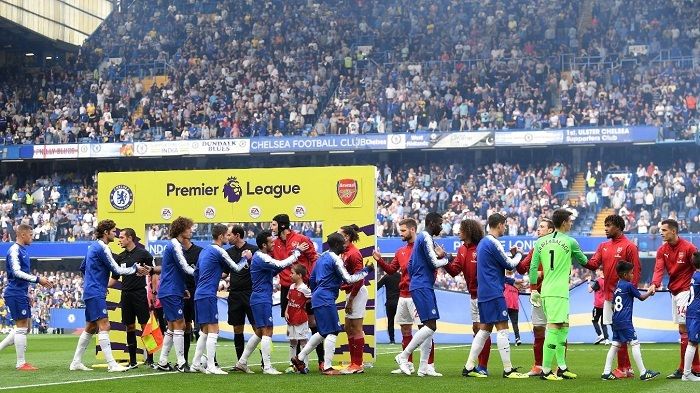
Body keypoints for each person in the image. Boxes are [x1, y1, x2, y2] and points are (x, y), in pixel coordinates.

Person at [70, 219, 148, 372]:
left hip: (91, 290)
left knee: (91, 326)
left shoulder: (92, 247)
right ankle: (112, 364)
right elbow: (116, 269)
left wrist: (93, 282)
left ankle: (76, 362)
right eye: (113, 232)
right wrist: (135, 269)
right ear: (106, 233)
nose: (115, 234)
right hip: (95, 291)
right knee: (105, 325)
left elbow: (83, 267)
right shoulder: (103, 248)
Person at [291, 233, 370, 375]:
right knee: (333, 331)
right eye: (343, 243)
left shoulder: (321, 258)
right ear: (337, 245)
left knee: (322, 332)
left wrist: (316, 294)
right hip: (325, 298)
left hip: (318, 296)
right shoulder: (335, 259)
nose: (345, 245)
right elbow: (349, 279)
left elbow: (313, 278)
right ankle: (327, 367)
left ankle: (299, 358)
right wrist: (366, 271)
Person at [463, 213, 527, 379]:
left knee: (484, 331)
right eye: (504, 225)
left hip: (484, 293)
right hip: (494, 293)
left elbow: (492, 269)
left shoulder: (483, 244)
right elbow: (509, 264)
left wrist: (510, 281)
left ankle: (469, 367)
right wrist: (519, 254)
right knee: (503, 330)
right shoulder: (493, 242)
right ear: (499, 225)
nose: (504, 228)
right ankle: (508, 370)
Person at [233, 230, 307, 375]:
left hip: (259, 298)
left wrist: (288, 261)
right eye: (270, 242)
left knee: (260, 332)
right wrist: (297, 253)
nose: (273, 243)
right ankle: (267, 367)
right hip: (261, 298)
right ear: (263, 245)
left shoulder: (260, 257)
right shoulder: (261, 257)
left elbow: (274, 270)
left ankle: (241, 362)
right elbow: (279, 265)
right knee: (268, 330)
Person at [373, 218, 440, 376]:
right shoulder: (400, 251)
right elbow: (391, 270)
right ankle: (408, 364)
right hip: (402, 296)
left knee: (425, 329)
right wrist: (380, 260)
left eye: (403, 231)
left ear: (412, 229)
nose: (400, 234)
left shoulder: (423, 247)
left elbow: (434, 268)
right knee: (405, 329)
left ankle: (429, 365)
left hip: (417, 294)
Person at [529, 209, 589, 381]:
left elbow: (533, 268)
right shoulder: (570, 242)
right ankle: (546, 370)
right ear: (563, 223)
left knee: (563, 327)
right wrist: (602, 263)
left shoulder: (540, 243)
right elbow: (585, 262)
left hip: (547, 291)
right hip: (558, 293)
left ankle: (562, 367)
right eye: (570, 221)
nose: (571, 224)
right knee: (554, 328)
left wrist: (534, 289)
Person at [584, 214, 640, 378]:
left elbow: (636, 270)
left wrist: (631, 292)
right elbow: (593, 264)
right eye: (605, 225)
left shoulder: (629, 246)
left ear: (618, 226)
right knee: (616, 329)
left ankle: (623, 368)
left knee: (619, 330)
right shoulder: (603, 246)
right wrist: (579, 256)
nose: (606, 228)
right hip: (609, 294)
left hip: (622, 296)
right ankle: (626, 368)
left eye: (608, 225)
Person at [394, 212, 449, 377]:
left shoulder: (421, 239)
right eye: (440, 223)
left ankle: (423, 367)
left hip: (421, 285)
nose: (441, 226)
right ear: (432, 223)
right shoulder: (425, 237)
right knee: (430, 326)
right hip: (422, 286)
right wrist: (446, 258)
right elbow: (434, 262)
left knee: (429, 327)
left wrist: (417, 278)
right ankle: (403, 356)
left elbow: (410, 265)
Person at [190, 224, 250, 375]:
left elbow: (197, 272)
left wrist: (209, 283)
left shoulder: (205, 251)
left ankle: (196, 363)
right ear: (221, 236)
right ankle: (211, 366)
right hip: (208, 294)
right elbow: (236, 268)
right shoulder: (220, 251)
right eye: (227, 235)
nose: (228, 237)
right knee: (214, 329)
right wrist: (246, 258)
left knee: (204, 330)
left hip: (199, 293)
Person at [649, 219, 700, 378]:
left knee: (686, 330)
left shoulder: (689, 248)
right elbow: (658, 269)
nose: (661, 233)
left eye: (664, 230)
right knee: (683, 330)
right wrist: (654, 284)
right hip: (675, 291)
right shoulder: (661, 250)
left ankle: (685, 369)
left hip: (686, 291)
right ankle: (695, 367)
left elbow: (697, 266)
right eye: (661, 230)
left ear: (673, 231)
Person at [271, 214, 322, 369]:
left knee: (313, 323)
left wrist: (310, 280)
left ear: (282, 226)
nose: (271, 228)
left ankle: (321, 360)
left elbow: (314, 258)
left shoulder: (301, 239)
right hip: (287, 288)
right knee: (291, 324)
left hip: (304, 287)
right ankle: (297, 363)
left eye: (273, 225)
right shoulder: (275, 244)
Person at [0, 224, 53, 370]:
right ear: (22, 235)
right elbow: (16, 272)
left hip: (21, 292)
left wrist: (27, 292)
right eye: (30, 235)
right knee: (22, 327)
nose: (32, 237)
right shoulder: (15, 250)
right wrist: (38, 279)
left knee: (26, 327)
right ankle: (21, 363)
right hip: (14, 292)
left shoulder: (23, 250)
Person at [443, 219, 491, 375]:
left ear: (468, 231)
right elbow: (454, 271)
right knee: (477, 329)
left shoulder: (482, 247)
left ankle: (483, 367)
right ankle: (476, 365)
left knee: (483, 329)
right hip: (473, 295)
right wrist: (444, 260)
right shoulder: (462, 249)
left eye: (461, 230)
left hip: (485, 295)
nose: (458, 232)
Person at [601, 261, 659, 381]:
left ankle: (606, 372)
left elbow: (612, 306)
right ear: (625, 274)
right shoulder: (628, 285)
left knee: (615, 344)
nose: (633, 275)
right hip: (625, 321)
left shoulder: (618, 286)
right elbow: (641, 298)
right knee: (635, 343)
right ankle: (643, 373)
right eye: (631, 273)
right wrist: (650, 292)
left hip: (616, 320)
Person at [109, 228, 154, 368]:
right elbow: (115, 278)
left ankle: (150, 359)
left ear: (130, 238)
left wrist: (153, 292)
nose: (119, 240)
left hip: (140, 293)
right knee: (129, 326)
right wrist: (102, 287)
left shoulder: (144, 254)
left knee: (145, 326)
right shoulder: (119, 257)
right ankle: (133, 361)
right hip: (126, 294)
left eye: (122, 237)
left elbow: (152, 273)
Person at [156, 216, 196, 372]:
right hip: (170, 290)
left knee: (172, 326)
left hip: (172, 289)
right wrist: (202, 273)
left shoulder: (173, 245)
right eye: (189, 227)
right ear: (181, 230)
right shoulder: (175, 245)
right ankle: (181, 363)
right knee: (180, 324)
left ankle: (163, 361)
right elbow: (185, 267)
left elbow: (175, 270)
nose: (191, 230)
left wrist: (183, 287)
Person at [515, 218, 554, 376]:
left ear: (550, 231)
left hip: (553, 295)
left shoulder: (556, 247)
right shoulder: (534, 249)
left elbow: (563, 271)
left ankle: (559, 367)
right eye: (538, 227)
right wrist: (516, 256)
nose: (539, 229)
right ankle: (538, 366)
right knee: (538, 330)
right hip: (537, 295)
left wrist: (541, 274)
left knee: (557, 330)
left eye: (542, 227)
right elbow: (523, 268)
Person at [225, 225, 258, 364]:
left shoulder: (254, 250)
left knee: (259, 328)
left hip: (250, 293)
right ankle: (240, 362)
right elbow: (225, 273)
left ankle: (264, 362)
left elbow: (259, 269)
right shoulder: (228, 252)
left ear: (237, 235)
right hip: (234, 295)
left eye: (229, 235)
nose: (227, 237)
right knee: (237, 328)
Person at [338, 224, 368, 374]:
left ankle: (358, 364)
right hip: (350, 292)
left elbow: (360, 279)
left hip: (356, 293)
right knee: (348, 328)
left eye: (339, 234)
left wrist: (350, 300)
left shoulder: (354, 254)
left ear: (347, 237)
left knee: (356, 328)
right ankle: (354, 363)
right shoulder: (344, 252)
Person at [181, 230, 203, 364]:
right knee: (185, 325)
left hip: (197, 291)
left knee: (203, 326)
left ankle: (213, 361)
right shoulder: (177, 252)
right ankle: (184, 360)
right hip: (183, 292)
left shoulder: (199, 251)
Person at [285, 264, 312, 371]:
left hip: (300, 319)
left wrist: (304, 304)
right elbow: (289, 301)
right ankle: (292, 365)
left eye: (292, 273)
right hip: (291, 318)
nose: (290, 275)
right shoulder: (292, 287)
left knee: (303, 341)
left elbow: (312, 297)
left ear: (299, 275)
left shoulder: (305, 289)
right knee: (292, 341)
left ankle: (305, 365)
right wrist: (286, 311)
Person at [682, 252, 700, 381]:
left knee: (693, 342)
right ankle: (686, 374)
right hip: (696, 313)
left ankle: (686, 373)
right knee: (693, 342)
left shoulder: (695, 275)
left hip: (693, 312)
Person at [377, 268, 399, 345]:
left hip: (390, 302)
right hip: (400, 302)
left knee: (390, 321)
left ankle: (392, 340)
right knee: (405, 322)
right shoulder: (400, 276)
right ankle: (407, 338)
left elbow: (377, 286)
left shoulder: (386, 277)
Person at [588, 270, 609, 345]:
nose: (596, 272)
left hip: (598, 305)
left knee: (594, 320)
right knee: (604, 323)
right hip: (606, 304)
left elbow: (590, 290)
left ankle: (600, 335)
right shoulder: (608, 280)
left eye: (597, 271)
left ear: (601, 271)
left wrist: (589, 282)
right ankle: (607, 339)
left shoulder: (598, 281)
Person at [504, 270, 521, 346]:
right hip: (506, 305)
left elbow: (519, 288)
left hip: (513, 305)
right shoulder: (504, 278)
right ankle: (506, 338)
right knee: (505, 322)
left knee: (514, 323)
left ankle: (517, 338)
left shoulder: (516, 278)